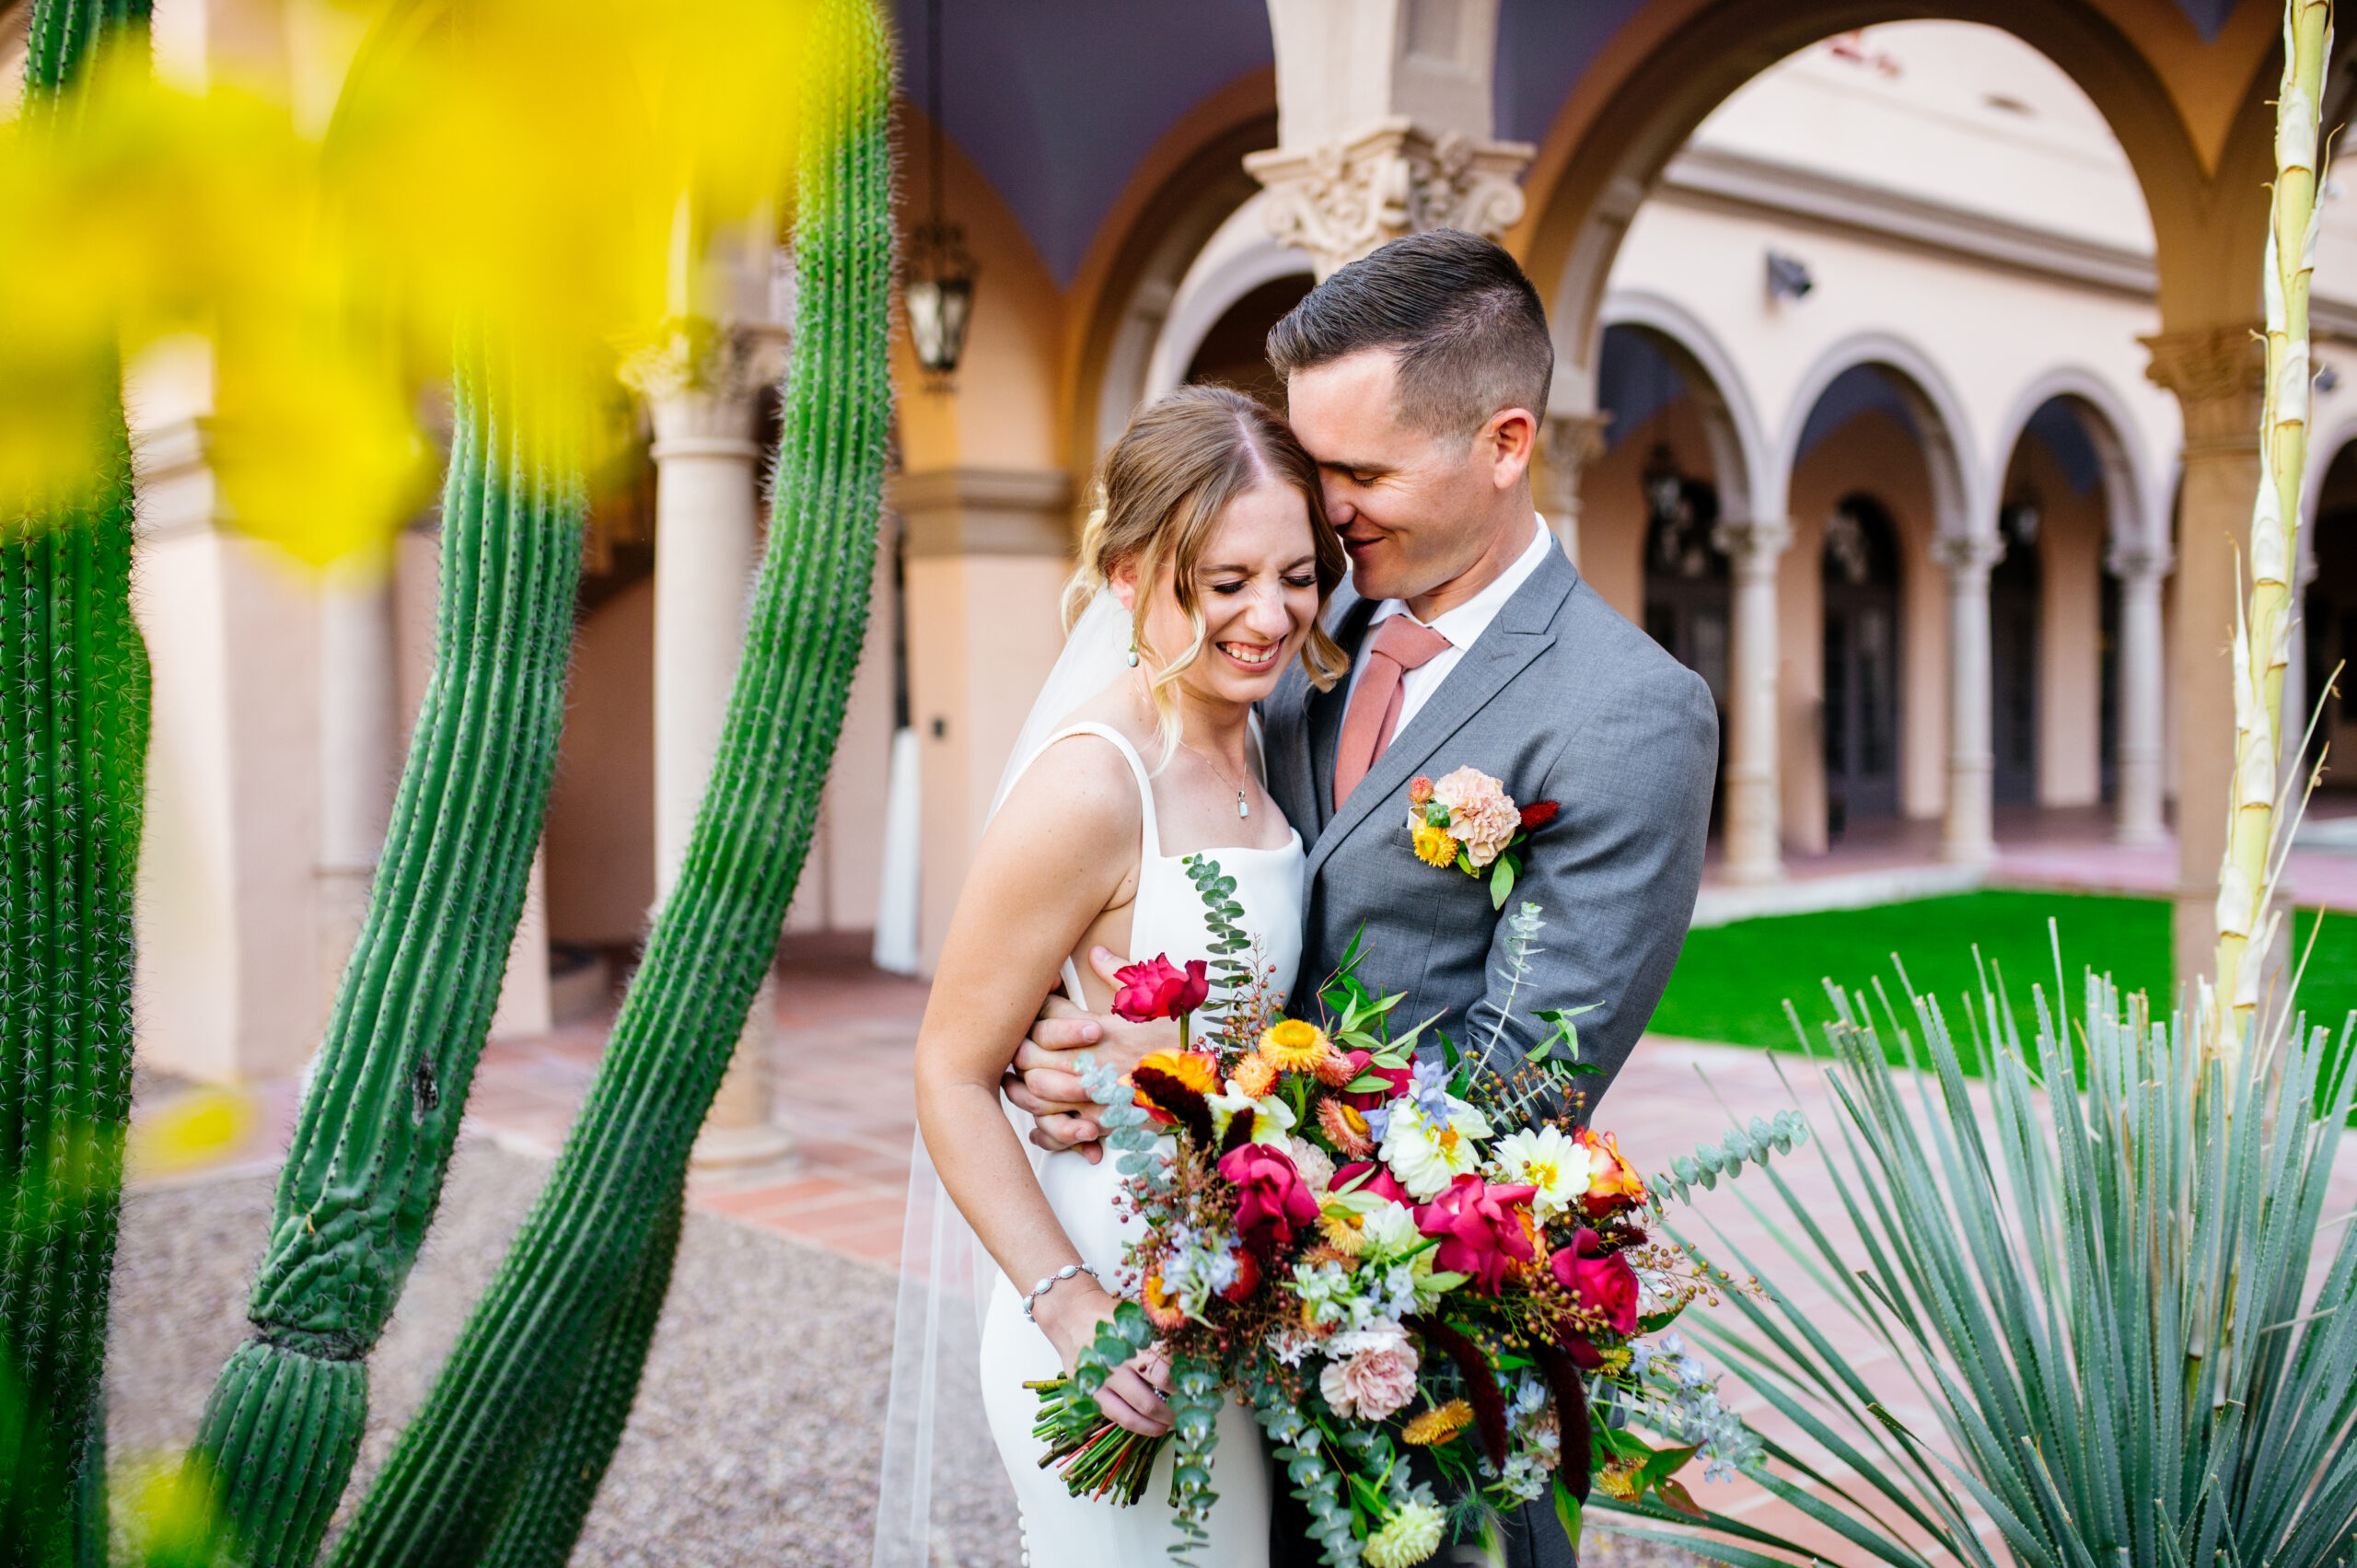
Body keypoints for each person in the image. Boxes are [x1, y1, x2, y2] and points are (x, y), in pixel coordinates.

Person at [1004, 229, 1720, 1566]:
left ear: (1505, 443)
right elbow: (1141, 860)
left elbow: (1510, 1092)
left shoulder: (1630, 713)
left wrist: (1188, 1086)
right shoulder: (1283, 639)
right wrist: (1058, 1026)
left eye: (1361, 471)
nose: (1321, 507)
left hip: (1412, 1376)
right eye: (1314, 460)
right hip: (1184, 1336)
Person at [906, 383, 1350, 1567]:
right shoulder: (1093, 785)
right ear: (1125, 575)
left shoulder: (1263, 727)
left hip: (1232, 1292)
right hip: (1114, 1314)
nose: (1268, 616)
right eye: (1224, 583)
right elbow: (949, 1072)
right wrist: (1071, 1309)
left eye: (1298, 575)